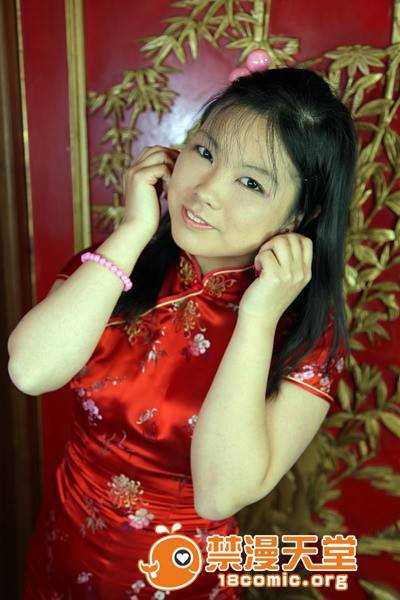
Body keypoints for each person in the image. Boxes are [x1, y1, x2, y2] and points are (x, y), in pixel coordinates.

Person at [9, 63, 358, 599]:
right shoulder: (115, 266)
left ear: (299, 216)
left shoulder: (307, 333)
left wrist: (257, 318)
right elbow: (30, 371)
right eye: (205, 151)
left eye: (251, 182)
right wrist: (134, 230)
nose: (206, 190)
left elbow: (218, 495)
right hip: (60, 552)